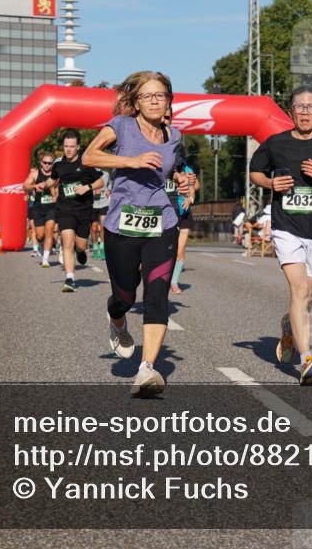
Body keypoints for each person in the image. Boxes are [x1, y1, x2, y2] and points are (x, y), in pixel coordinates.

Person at [82, 70, 192, 397]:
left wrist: (183, 181)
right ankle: (117, 320)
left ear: (169, 100)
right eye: (148, 96)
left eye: (160, 95)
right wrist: (130, 160)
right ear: (136, 101)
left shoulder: (175, 136)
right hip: (122, 224)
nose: (155, 101)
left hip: (163, 223)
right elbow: (90, 156)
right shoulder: (120, 126)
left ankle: (146, 369)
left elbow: (172, 170)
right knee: (125, 297)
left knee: (157, 295)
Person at [250, 86, 312, 385]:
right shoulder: (275, 143)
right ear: (290, 111)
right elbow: (254, 172)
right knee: (297, 290)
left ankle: (288, 325)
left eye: (311, 107)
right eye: (300, 107)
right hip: (286, 227)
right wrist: (270, 183)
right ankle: (308, 359)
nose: (305, 112)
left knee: (307, 296)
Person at [45, 130, 104, 292]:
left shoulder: (86, 163)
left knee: (80, 245)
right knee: (67, 242)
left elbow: (100, 182)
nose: (68, 150)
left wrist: (87, 187)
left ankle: (81, 251)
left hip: (84, 210)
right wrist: (43, 185)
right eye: (66, 146)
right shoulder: (58, 164)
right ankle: (69, 278)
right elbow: (53, 179)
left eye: (72, 146)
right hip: (65, 209)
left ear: (78, 147)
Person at [23, 151, 58, 266]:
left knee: (49, 232)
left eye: (50, 163)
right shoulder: (35, 174)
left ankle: (45, 259)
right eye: (45, 162)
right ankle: (43, 247)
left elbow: (59, 188)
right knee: (40, 235)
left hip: (51, 208)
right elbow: (25, 186)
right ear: (41, 163)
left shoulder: (56, 175)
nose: (47, 165)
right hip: (38, 208)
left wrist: (56, 195)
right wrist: (35, 186)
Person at [170, 160, 199, 293]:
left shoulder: (188, 169)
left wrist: (190, 198)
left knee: (180, 250)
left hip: (184, 214)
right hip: (167, 212)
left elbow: (195, 186)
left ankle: (174, 282)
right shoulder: (162, 164)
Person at [91, 169, 112, 260]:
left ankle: (102, 248)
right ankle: (95, 248)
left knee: (103, 226)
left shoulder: (106, 174)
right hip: (92, 204)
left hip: (104, 203)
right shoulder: (89, 173)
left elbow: (110, 185)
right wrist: (92, 191)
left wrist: (109, 190)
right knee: (94, 228)